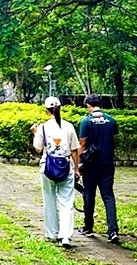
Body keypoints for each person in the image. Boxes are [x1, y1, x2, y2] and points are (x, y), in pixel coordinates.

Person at [31, 97, 80, 247]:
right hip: (65, 166)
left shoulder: (43, 128)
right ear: (60, 108)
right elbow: (74, 150)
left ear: (46, 110)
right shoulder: (68, 126)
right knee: (66, 202)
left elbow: (38, 148)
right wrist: (76, 169)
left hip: (47, 167)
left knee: (49, 200)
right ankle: (65, 236)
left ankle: (52, 233)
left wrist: (34, 132)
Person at [78, 94, 120, 244]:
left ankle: (88, 227)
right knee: (108, 196)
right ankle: (113, 231)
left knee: (89, 195)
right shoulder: (111, 120)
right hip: (107, 163)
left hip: (90, 165)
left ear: (88, 105)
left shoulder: (86, 121)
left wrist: (77, 165)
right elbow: (114, 141)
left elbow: (82, 144)